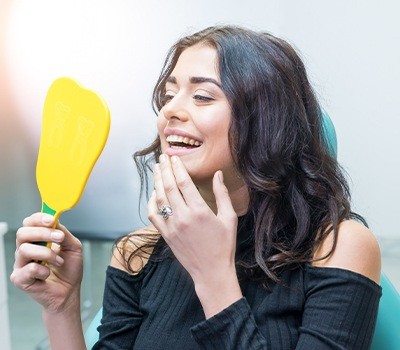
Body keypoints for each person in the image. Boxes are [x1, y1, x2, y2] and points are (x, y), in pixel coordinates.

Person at [11, 25, 382, 349]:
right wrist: (60, 308)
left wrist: (212, 276)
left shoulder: (337, 247)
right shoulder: (136, 253)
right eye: (168, 95)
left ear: (269, 123)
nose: (170, 111)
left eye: (203, 96)